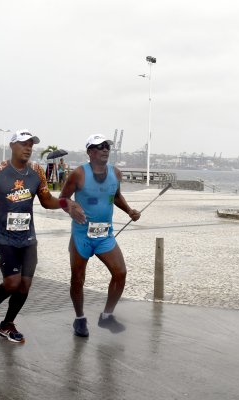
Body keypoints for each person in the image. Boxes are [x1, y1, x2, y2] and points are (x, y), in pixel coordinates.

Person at [0, 129, 86, 343]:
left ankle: (7, 325)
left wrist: (64, 203)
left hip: (27, 239)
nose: (28, 148)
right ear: (13, 145)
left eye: (31, 144)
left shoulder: (36, 172)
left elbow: (46, 200)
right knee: (12, 282)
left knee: (25, 285)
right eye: (24, 143)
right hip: (1, 237)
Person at [60, 134, 141, 337]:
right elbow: (62, 199)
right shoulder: (78, 174)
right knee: (77, 279)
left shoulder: (116, 173)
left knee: (120, 273)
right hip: (82, 235)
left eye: (107, 146)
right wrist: (72, 209)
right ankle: (79, 318)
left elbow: (116, 196)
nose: (105, 149)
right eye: (100, 146)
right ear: (90, 152)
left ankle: (107, 317)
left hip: (105, 235)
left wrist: (129, 210)